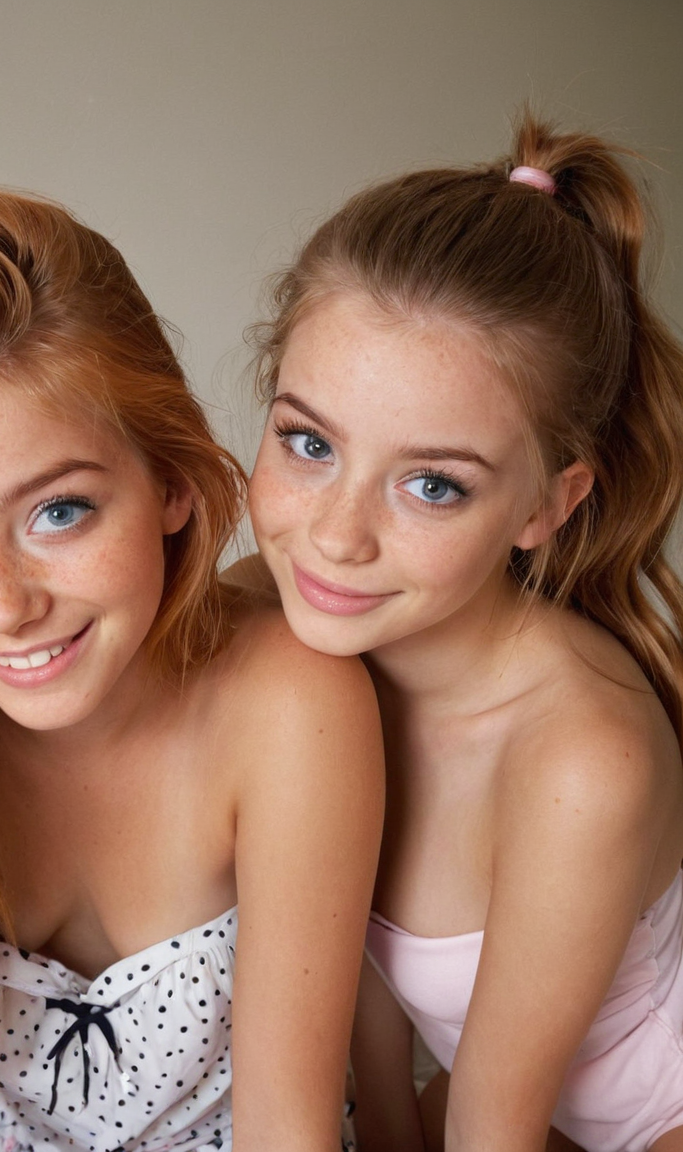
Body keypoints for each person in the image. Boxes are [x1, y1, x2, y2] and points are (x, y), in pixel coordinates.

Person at [0, 188, 385, 1152]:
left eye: (57, 512)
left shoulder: (289, 704)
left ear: (174, 481)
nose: (0, 606)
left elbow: (291, 1130)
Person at [242, 113, 683, 1151]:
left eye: (431, 484)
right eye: (307, 442)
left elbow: (492, 1130)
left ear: (546, 505)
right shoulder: (285, 622)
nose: (336, 536)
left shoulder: (580, 759)